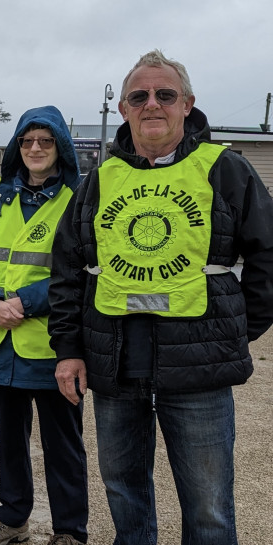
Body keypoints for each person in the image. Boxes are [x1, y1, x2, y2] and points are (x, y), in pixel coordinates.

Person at [49, 50, 273, 545]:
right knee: (124, 493)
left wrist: (233, 330)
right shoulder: (98, 181)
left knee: (209, 507)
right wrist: (67, 349)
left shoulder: (226, 170)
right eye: (139, 96)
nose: (153, 104)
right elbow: (67, 270)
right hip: (116, 370)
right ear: (125, 108)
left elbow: (268, 257)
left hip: (199, 373)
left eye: (165, 95)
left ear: (187, 105)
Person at [0, 106, 88, 545]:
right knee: (10, 442)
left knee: (63, 447)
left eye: (45, 141)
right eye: (27, 141)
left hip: (53, 346)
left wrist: (24, 302)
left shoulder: (79, 199)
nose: (35, 148)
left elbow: (83, 270)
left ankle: (69, 530)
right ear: (17, 147)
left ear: (60, 148)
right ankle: (13, 517)